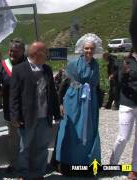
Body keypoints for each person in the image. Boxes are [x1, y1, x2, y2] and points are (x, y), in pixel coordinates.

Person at [10, 41, 61, 179]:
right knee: (24, 147)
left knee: (42, 147)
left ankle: (38, 173)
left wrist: (56, 112)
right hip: (27, 117)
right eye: (46, 52)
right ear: (37, 54)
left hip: (44, 116)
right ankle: (22, 173)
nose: (48, 55)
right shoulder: (19, 69)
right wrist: (14, 116)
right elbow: (14, 95)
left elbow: (52, 93)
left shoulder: (47, 69)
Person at [55, 33, 103, 175]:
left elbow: (97, 85)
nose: (89, 51)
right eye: (86, 48)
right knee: (71, 129)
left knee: (89, 129)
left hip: (90, 102)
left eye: (91, 49)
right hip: (73, 100)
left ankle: (86, 162)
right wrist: (60, 103)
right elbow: (64, 84)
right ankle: (67, 162)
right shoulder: (73, 64)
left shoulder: (96, 65)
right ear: (82, 49)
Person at [110, 1, 137, 179]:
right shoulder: (127, 62)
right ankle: (113, 163)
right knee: (123, 137)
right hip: (128, 104)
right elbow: (118, 83)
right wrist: (124, 73)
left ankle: (134, 169)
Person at [0, 38, 26, 173]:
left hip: (27, 108)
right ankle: (13, 163)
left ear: (23, 52)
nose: (12, 54)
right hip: (10, 108)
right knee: (13, 138)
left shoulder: (29, 64)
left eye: (16, 52)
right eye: (10, 51)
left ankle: (27, 163)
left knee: (28, 137)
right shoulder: (2, 65)